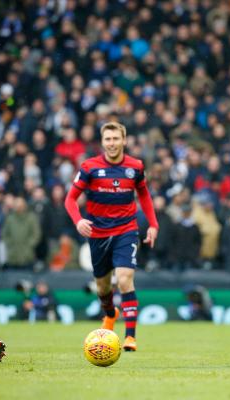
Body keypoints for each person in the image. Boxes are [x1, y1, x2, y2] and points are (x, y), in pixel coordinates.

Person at [64, 122, 159, 352]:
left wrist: (153, 224)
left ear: (124, 140)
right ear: (102, 141)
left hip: (126, 230)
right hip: (98, 233)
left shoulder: (135, 167)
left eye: (116, 138)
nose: (112, 143)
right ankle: (110, 313)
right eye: (108, 139)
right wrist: (78, 221)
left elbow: (144, 196)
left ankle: (130, 337)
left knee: (125, 279)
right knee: (103, 287)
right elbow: (70, 200)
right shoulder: (89, 167)